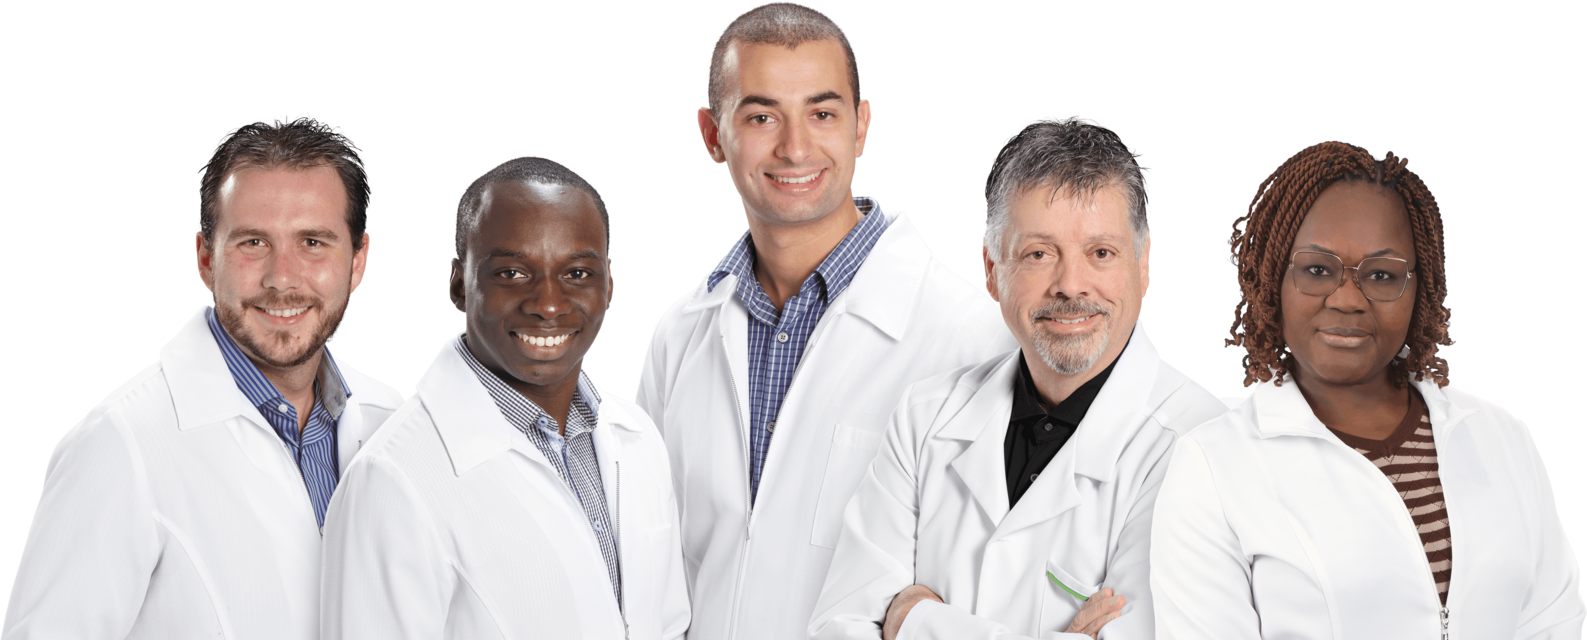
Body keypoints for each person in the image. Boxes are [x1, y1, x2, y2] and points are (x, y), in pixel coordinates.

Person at [634, 3, 1014, 638]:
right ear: (712, 135)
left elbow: (998, 578)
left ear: (861, 128)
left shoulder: (971, 338)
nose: (795, 148)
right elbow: (651, 566)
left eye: (822, 114)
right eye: (761, 117)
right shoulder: (680, 335)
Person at [807, 116, 1228, 640]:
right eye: (1038, 254)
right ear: (991, 269)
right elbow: (837, 628)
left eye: (1101, 253)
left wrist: (913, 619)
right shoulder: (925, 418)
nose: (1070, 285)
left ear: (1143, 265)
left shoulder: (1204, 449)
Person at [1150, 140, 1584, 639]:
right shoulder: (1212, 468)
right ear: (1273, 279)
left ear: (1420, 288)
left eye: (1381, 275)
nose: (1347, 299)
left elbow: (1553, 620)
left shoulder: (1500, 436)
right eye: (1317, 270)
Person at [2, 115, 402, 638]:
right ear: (206, 259)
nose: (282, 278)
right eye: (253, 242)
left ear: (358, 261)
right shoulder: (120, 444)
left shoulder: (391, 422)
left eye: (312, 242)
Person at [320, 156, 689, 639]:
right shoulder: (391, 479)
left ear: (609, 284)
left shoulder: (638, 437)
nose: (548, 304)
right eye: (512, 273)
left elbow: (669, 626)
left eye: (577, 273)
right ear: (459, 283)